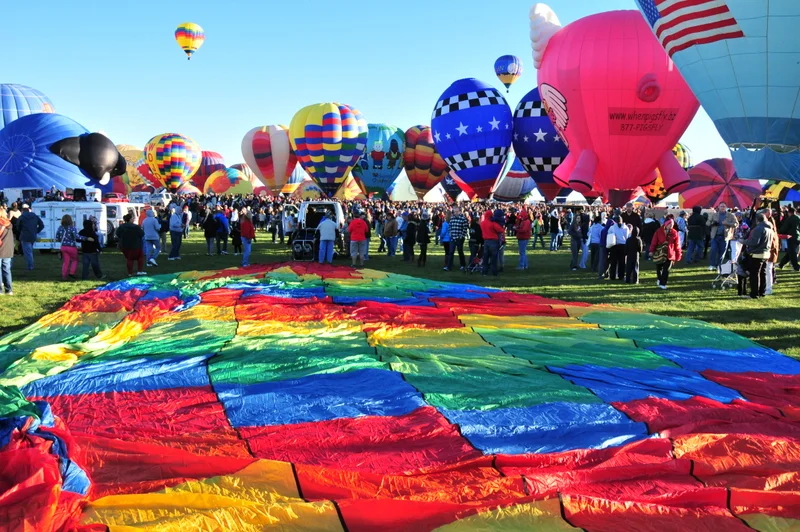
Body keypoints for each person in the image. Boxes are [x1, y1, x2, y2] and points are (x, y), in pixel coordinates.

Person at [744, 212, 775, 298]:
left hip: (757, 254)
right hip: (766, 253)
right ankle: (762, 292)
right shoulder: (770, 228)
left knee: (754, 274)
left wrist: (744, 241)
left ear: (757, 220)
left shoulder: (759, 229)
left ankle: (754, 294)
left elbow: (754, 242)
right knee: (763, 273)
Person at [649, 217, 682, 289]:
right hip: (659, 253)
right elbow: (654, 241)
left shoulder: (674, 232)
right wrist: (651, 250)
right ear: (666, 224)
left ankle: (663, 284)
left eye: (672, 224)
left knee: (666, 270)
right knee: (659, 268)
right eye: (670, 224)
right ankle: (660, 279)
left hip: (670, 254)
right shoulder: (658, 231)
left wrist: (678, 254)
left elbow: (677, 245)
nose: (671, 226)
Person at [55, 215, 90, 281]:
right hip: (71, 247)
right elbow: (77, 236)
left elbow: (57, 237)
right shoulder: (72, 228)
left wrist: (62, 241)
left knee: (66, 262)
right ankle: (72, 272)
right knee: (75, 260)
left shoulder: (60, 228)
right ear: (70, 220)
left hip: (63, 247)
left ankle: (64, 275)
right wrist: (86, 238)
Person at [707, 203, 738, 269]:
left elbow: (736, 224)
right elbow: (707, 223)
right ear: (718, 207)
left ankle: (719, 265)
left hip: (725, 236)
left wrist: (727, 223)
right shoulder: (714, 215)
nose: (722, 207)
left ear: (726, 207)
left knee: (722, 252)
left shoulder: (731, 215)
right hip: (715, 236)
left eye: (724, 206)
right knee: (713, 249)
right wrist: (713, 223)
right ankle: (712, 265)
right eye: (721, 206)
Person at [16, 204, 44, 270]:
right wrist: (36, 231)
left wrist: (21, 231)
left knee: (28, 252)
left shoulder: (21, 217)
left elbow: (17, 226)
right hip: (33, 236)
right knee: (30, 250)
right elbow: (41, 225)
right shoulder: (35, 216)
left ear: (22, 211)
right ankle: (30, 265)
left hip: (25, 236)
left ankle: (30, 266)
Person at [606, 215, 630, 281]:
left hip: (614, 245)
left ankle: (612, 276)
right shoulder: (626, 228)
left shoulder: (612, 227)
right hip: (623, 246)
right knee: (622, 262)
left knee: (613, 262)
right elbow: (627, 237)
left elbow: (609, 235)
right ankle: (621, 276)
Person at [480, 210, 504, 276]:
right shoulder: (493, 223)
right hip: (493, 241)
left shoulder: (482, 223)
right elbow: (501, 230)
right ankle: (494, 272)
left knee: (485, 257)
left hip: (486, 241)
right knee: (494, 258)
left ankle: (484, 271)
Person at [777, 206, 800, 271]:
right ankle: (781, 264)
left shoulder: (790, 219)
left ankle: (796, 267)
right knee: (790, 252)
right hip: (798, 237)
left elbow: (784, 228)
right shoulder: (798, 218)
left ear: (789, 213)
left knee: (792, 253)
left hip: (791, 237)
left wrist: (778, 231)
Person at [446, 207, 468, 271]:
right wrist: (450, 233)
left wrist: (461, 236)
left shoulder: (463, 219)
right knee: (451, 252)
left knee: (460, 251)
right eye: (454, 211)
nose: (455, 213)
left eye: (457, 211)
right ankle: (449, 266)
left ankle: (463, 265)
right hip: (453, 237)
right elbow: (450, 227)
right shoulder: (452, 218)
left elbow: (465, 228)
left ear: (459, 211)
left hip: (459, 238)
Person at [0, 207, 14, 295]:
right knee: (7, 270)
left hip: (1, 249)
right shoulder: (9, 224)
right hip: (8, 250)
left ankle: (0, 290)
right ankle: (9, 290)